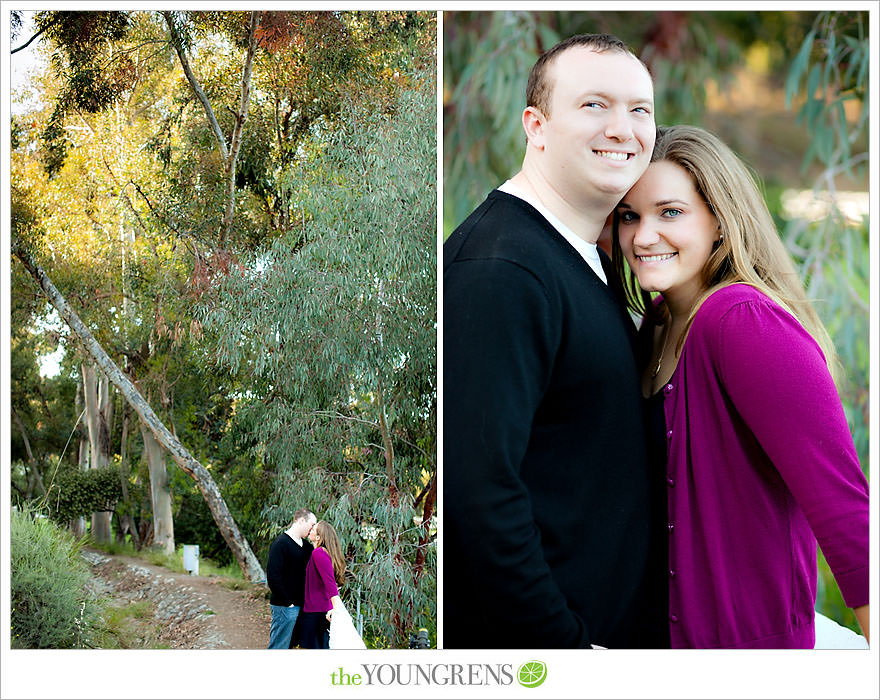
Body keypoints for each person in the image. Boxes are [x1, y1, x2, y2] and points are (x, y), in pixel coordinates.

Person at [444, 33, 667, 648]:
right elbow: (480, 490)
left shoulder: (578, 254)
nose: (624, 128)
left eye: (640, 109)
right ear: (535, 126)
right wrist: (560, 649)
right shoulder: (500, 269)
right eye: (595, 105)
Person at [612, 123, 870, 648]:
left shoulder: (743, 322)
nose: (643, 236)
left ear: (721, 222)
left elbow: (844, 511)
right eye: (629, 216)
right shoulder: (657, 322)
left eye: (671, 212)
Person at [265, 509, 316, 649]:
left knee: (292, 647)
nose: (313, 529)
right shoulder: (280, 544)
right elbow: (273, 576)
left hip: (302, 607)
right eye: (312, 524)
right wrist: (288, 603)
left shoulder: (307, 547)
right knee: (279, 647)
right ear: (301, 521)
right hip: (285, 606)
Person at [298, 520, 346, 649]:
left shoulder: (318, 553)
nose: (311, 529)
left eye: (314, 529)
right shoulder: (320, 553)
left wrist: (335, 608)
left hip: (317, 613)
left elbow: (329, 582)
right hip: (317, 610)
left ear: (318, 537)